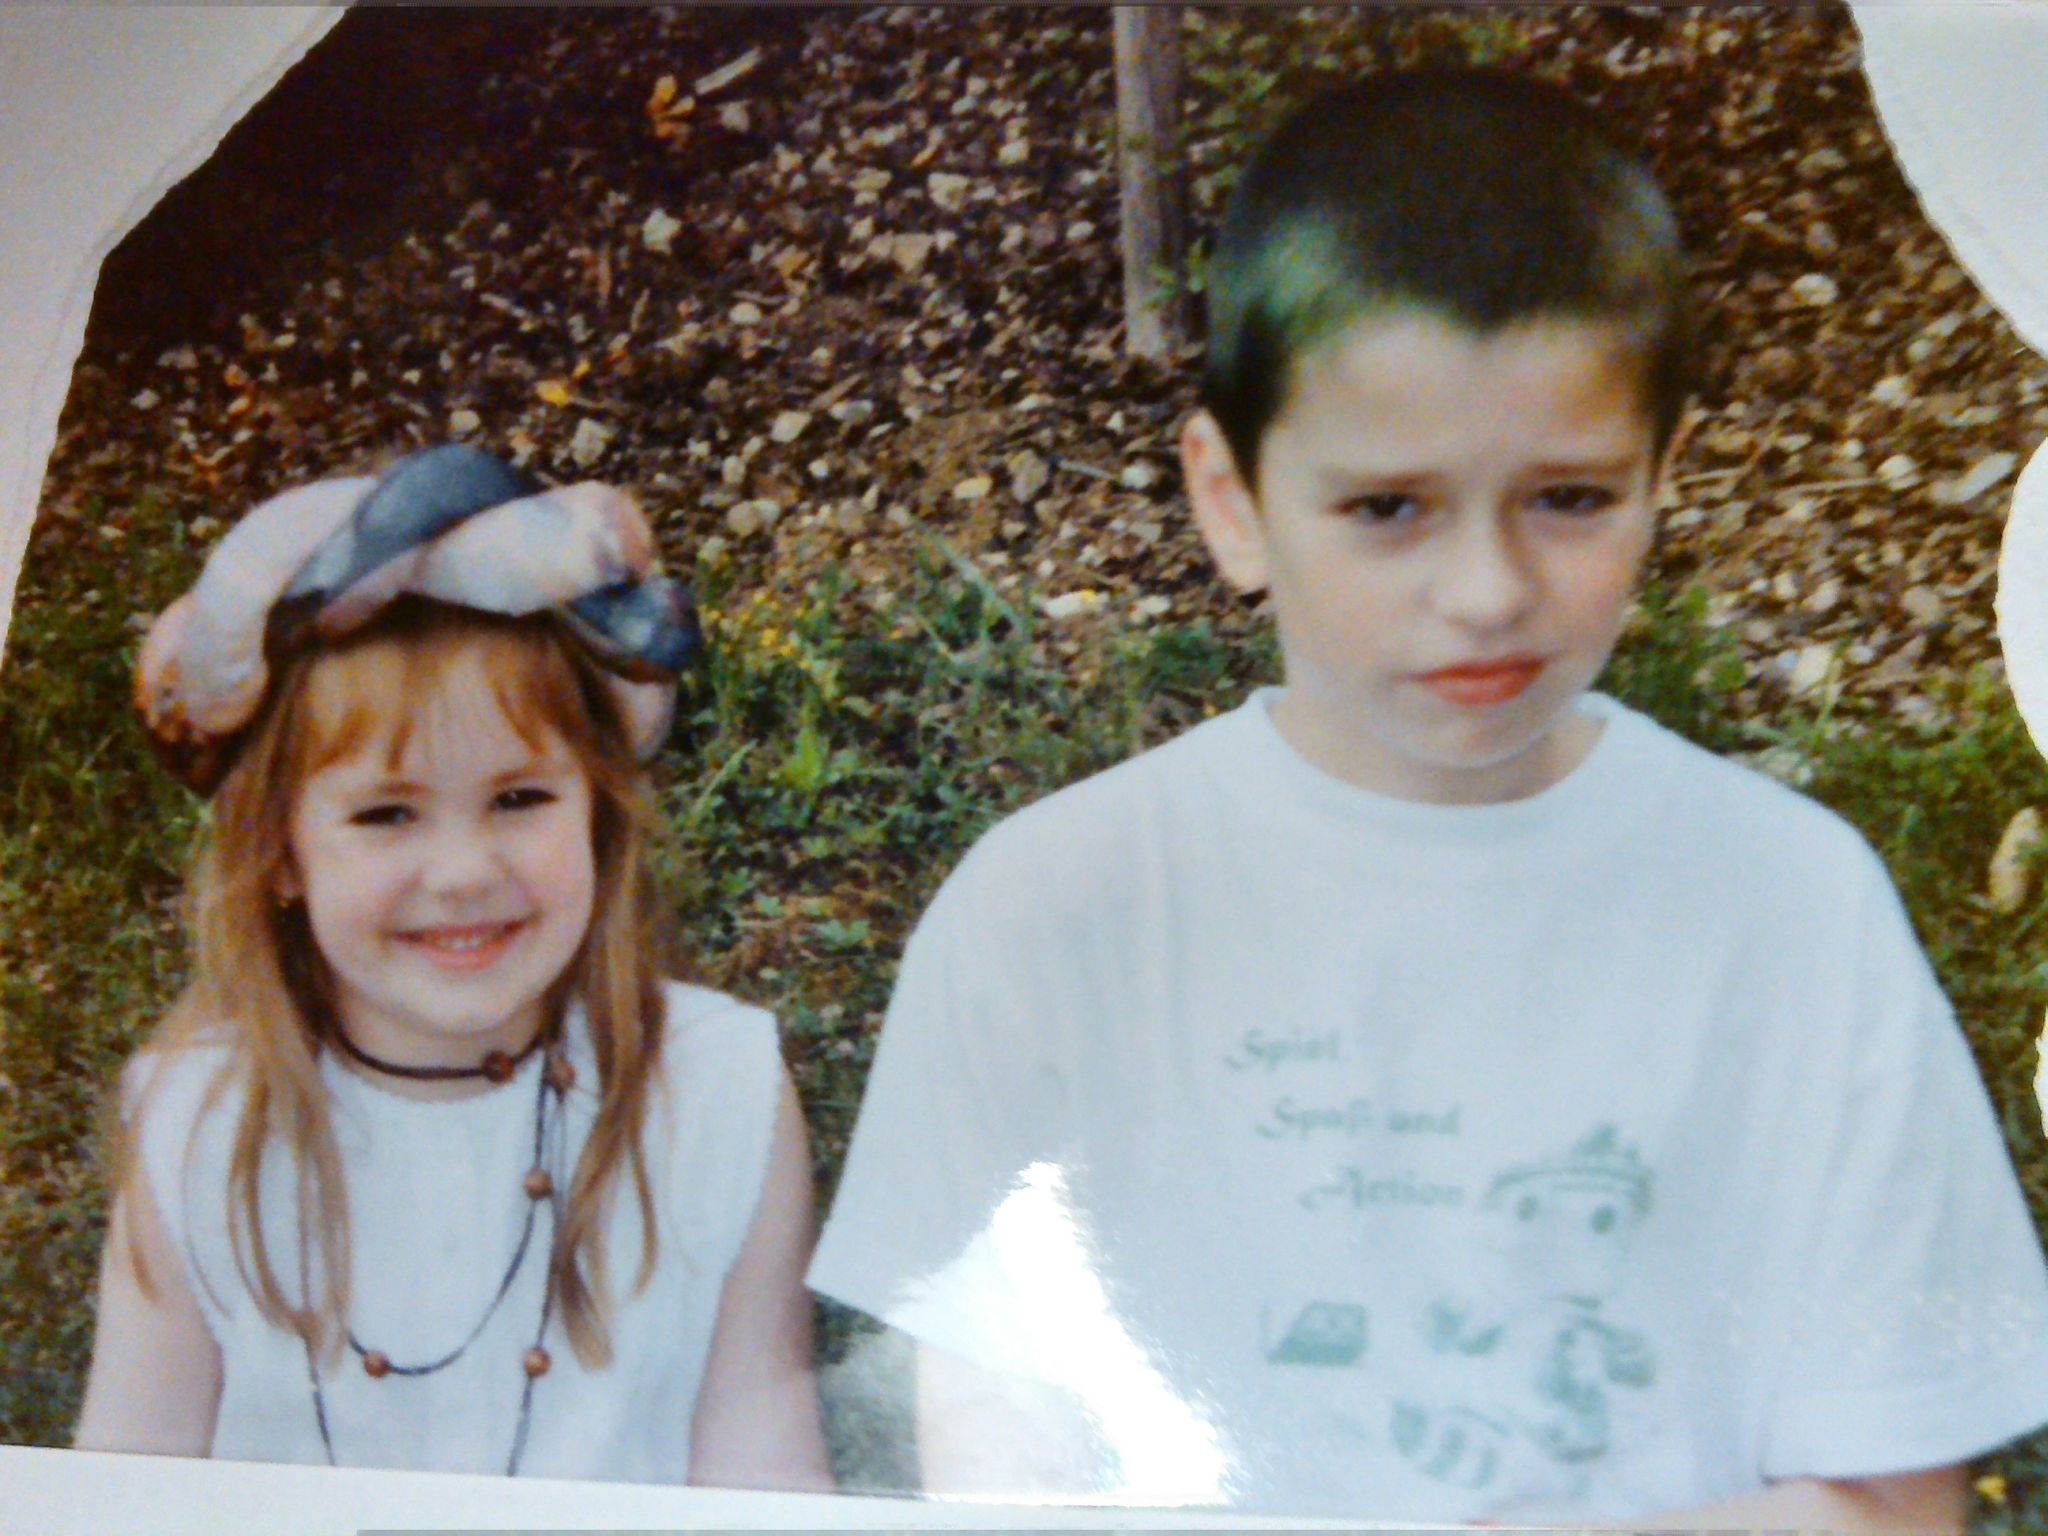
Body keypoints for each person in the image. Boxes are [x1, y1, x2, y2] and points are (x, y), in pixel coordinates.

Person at [806, 70, 2048, 1528]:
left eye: (1568, 497)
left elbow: (1893, 1502)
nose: (1485, 591)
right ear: (1230, 501)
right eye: (1388, 507)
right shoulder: (1049, 915)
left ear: (1663, 476)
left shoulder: (1794, 907)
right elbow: (1000, 1476)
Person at [75, 446, 832, 1489]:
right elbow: (124, 1477)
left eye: (520, 799)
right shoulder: (199, 1126)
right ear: (281, 852)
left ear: (597, 814)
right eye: (386, 814)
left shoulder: (714, 1093)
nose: (465, 873)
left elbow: (762, 1441)